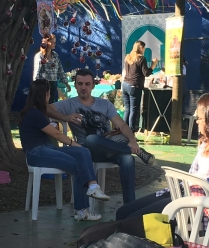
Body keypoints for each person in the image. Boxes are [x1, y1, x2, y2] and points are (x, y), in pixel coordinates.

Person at [116, 92, 209, 220]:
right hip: (183, 192)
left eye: (200, 119)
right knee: (123, 212)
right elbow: (192, 173)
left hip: (197, 202)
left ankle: (130, 239)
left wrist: (204, 180)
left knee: (132, 219)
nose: (197, 122)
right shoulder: (205, 143)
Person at [49, 69, 154, 205]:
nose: (83, 87)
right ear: (75, 85)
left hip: (109, 149)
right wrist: (66, 117)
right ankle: (135, 151)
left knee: (128, 160)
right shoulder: (69, 104)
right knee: (91, 139)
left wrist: (133, 141)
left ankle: (130, 206)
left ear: (93, 85)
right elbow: (46, 108)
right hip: (87, 151)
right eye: (80, 84)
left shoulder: (104, 104)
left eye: (87, 84)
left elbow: (121, 124)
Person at [20, 79, 109, 221]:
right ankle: (82, 210)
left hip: (47, 149)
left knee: (84, 152)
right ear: (46, 94)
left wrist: (77, 146)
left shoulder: (38, 111)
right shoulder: (34, 113)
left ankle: (93, 186)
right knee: (79, 164)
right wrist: (73, 144)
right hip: (36, 153)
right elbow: (55, 134)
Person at [121, 41, 153, 132]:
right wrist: (153, 65)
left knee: (127, 108)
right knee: (134, 109)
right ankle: (130, 131)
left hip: (125, 84)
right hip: (134, 86)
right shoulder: (141, 59)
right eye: (144, 48)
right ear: (141, 48)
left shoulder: (128, 57)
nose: (144, 50)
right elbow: (146, 73)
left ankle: (123, 130)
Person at [32, 34, 67, 103]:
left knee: (51, 104)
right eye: (53, 42)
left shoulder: (55, 55)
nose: (54, 44)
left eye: (55, 42)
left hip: (53, 84)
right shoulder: (39, 56)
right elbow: (37, 72)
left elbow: (60, 69)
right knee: (42, 104)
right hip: (42, 85)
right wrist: (36, 85)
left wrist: (65, 82)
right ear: (46, 42)